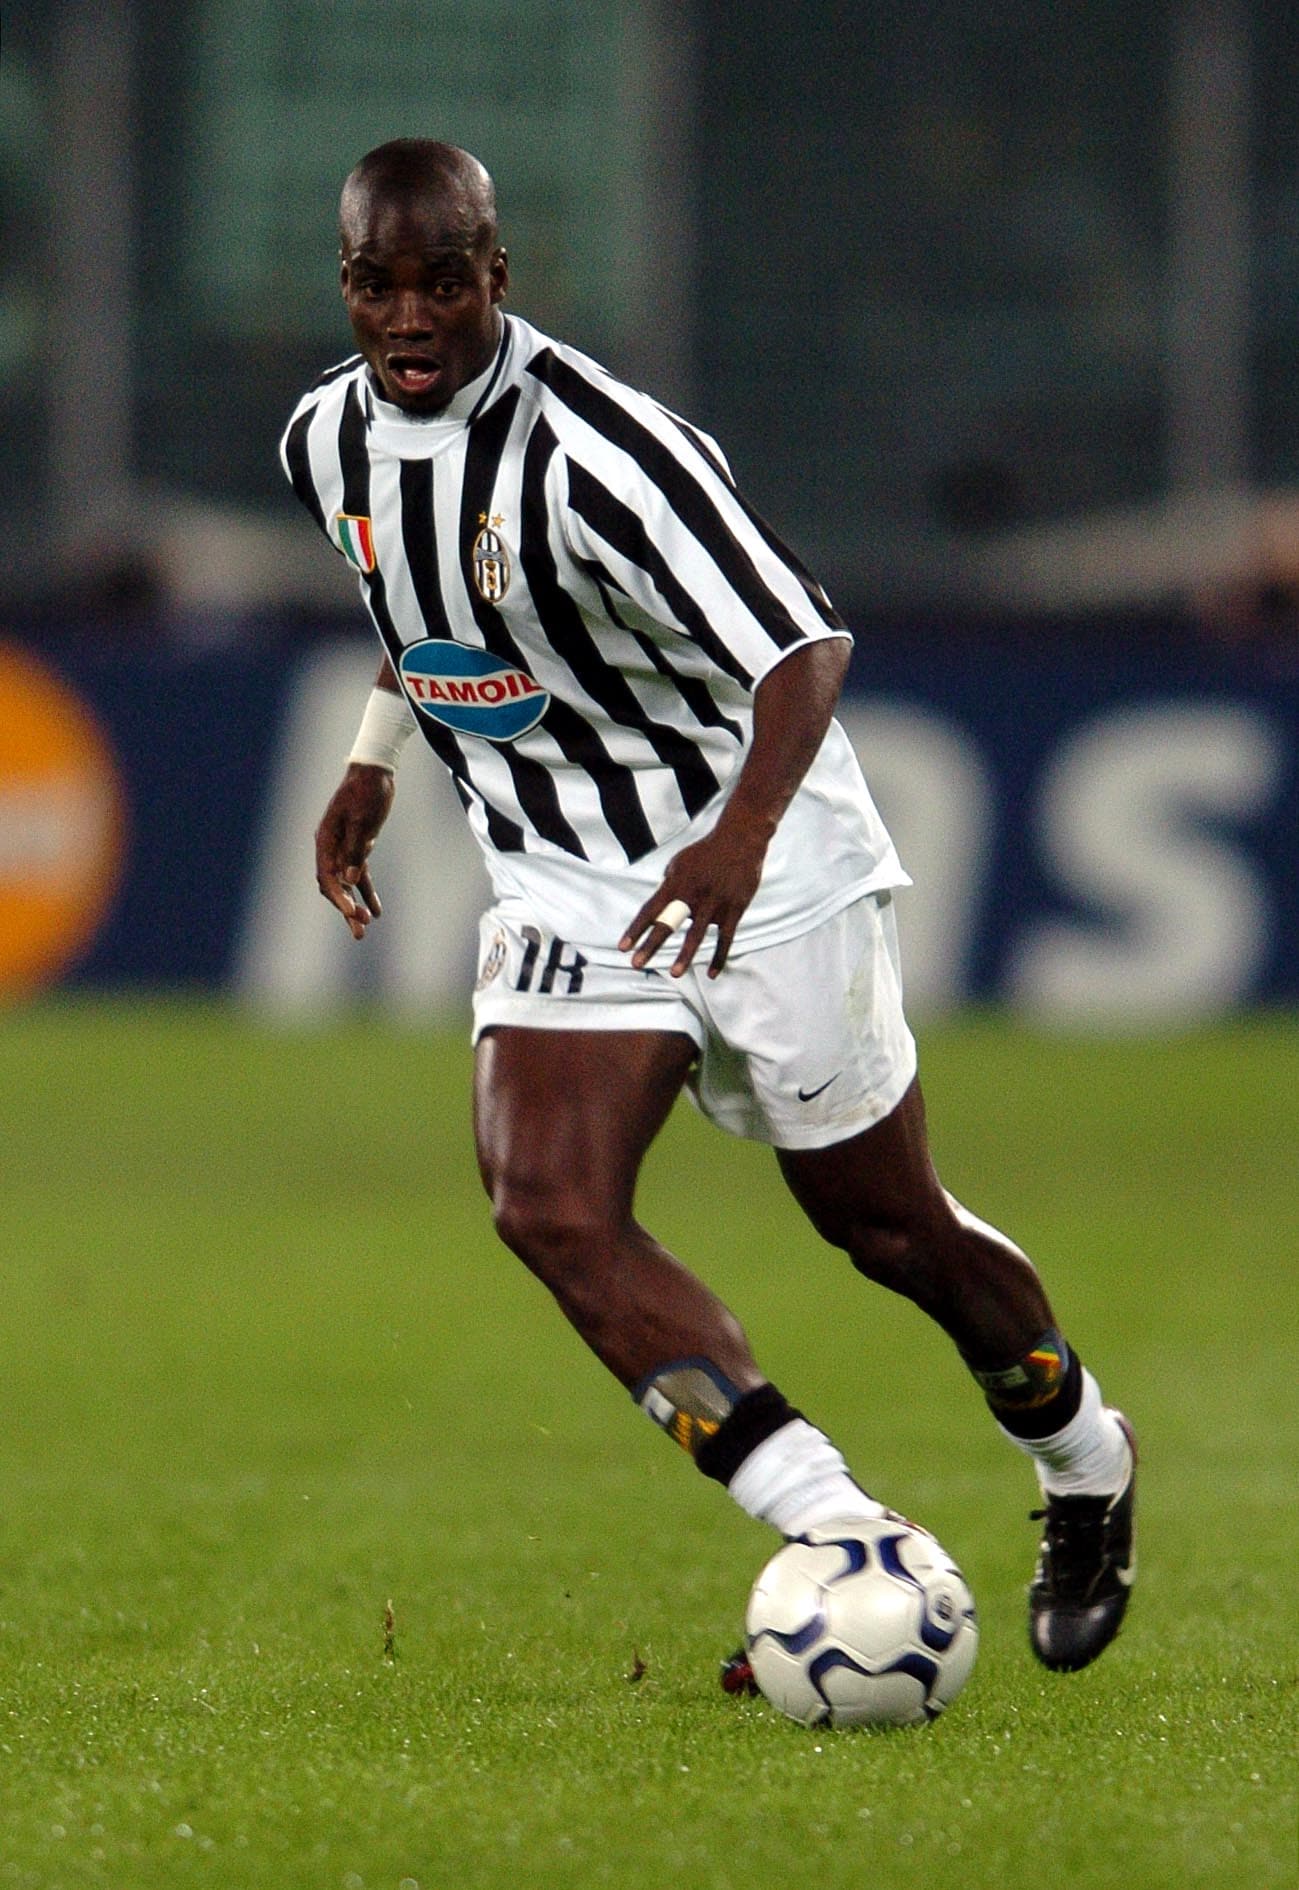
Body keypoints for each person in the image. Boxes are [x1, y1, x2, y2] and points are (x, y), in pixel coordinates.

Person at [281, 139, 1136, 1677]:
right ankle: (840, 1531)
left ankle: (1083, 1455)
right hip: (563, 875)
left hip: (766, 858)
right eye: (376, 284)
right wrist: (371, 755)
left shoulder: (609, 452)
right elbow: (418, 601)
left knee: (886, 1227)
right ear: (343, 283)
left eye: (443, 282)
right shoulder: (324, 438)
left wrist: (737, 844)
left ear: (496, 275)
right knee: (547, 1204)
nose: (409, 316)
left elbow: (804, 645)